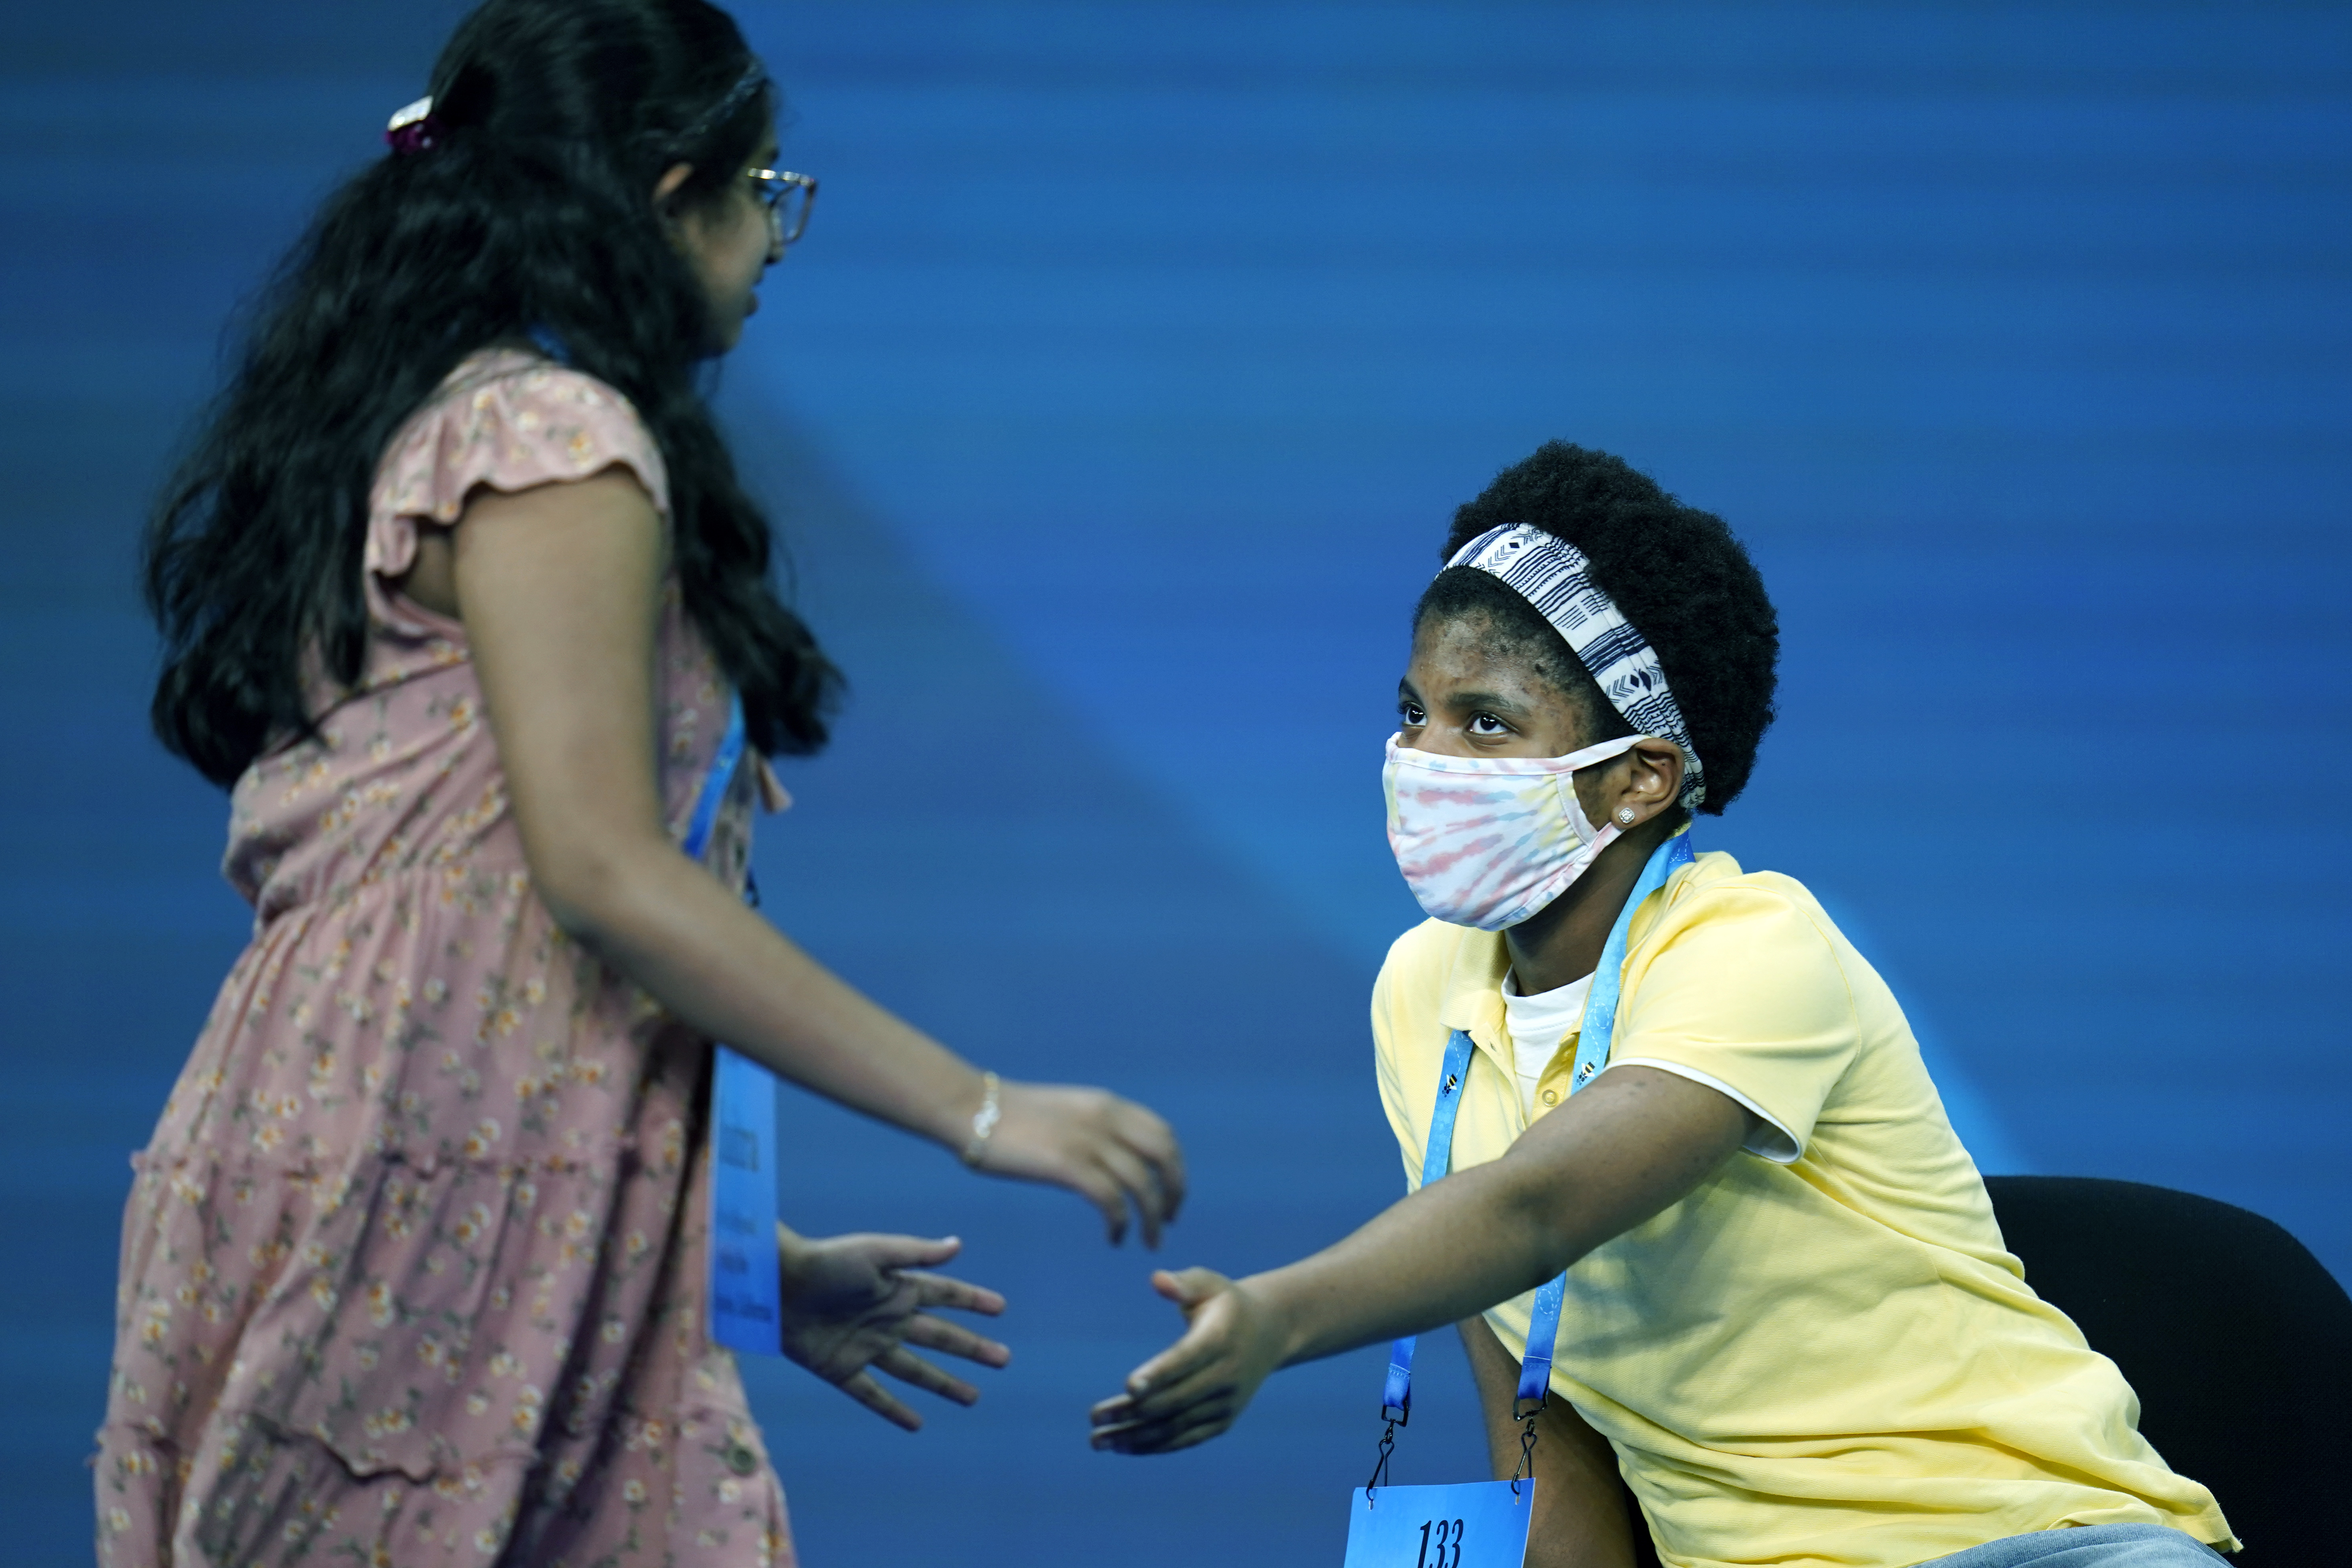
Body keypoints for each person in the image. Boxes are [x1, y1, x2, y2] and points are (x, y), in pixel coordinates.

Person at [104, 3, 1184, 1564]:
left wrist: (734, 1259)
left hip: (385, 1156)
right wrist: (982, 1108)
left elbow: (500, 968)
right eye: (765, 190)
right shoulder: (550, 436)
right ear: (671, 194)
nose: (777, 237)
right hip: (413, 1184)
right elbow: (598, 875)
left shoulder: (442, 416)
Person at [1088, 444, 2234, 1568]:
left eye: (1485, 722)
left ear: (1639, 777)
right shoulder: (1422, 990)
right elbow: (1542, 1455)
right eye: (1411, 712)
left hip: (2021, 1545)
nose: (1420, 759)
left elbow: (1532, 1211)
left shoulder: (1755, 946)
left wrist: (1279, 1319)